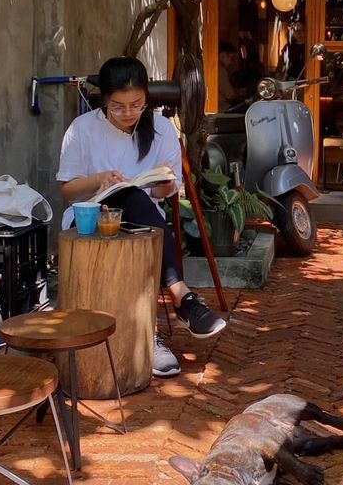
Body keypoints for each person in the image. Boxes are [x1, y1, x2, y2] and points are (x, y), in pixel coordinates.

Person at [57, 57, 227, 377]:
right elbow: (68, 190)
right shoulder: (82, 129)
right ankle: (182, 298)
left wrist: (163, 186)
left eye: (137, 104)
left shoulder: (160, 128)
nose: (128, 113)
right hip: (89, 219)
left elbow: (163, 192)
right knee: (127, 195)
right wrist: (100, 180)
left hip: (143, 222)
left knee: (134, 197)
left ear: (147, 97)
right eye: (118, 107)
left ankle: (148, 334)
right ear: (103, 100)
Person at [218, 41, 241, 111]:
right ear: (222, 55)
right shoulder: (220, 70)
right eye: (231, 58)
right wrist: (239, 93)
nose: (231, 62)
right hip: (222, 107)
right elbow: (229, 94)